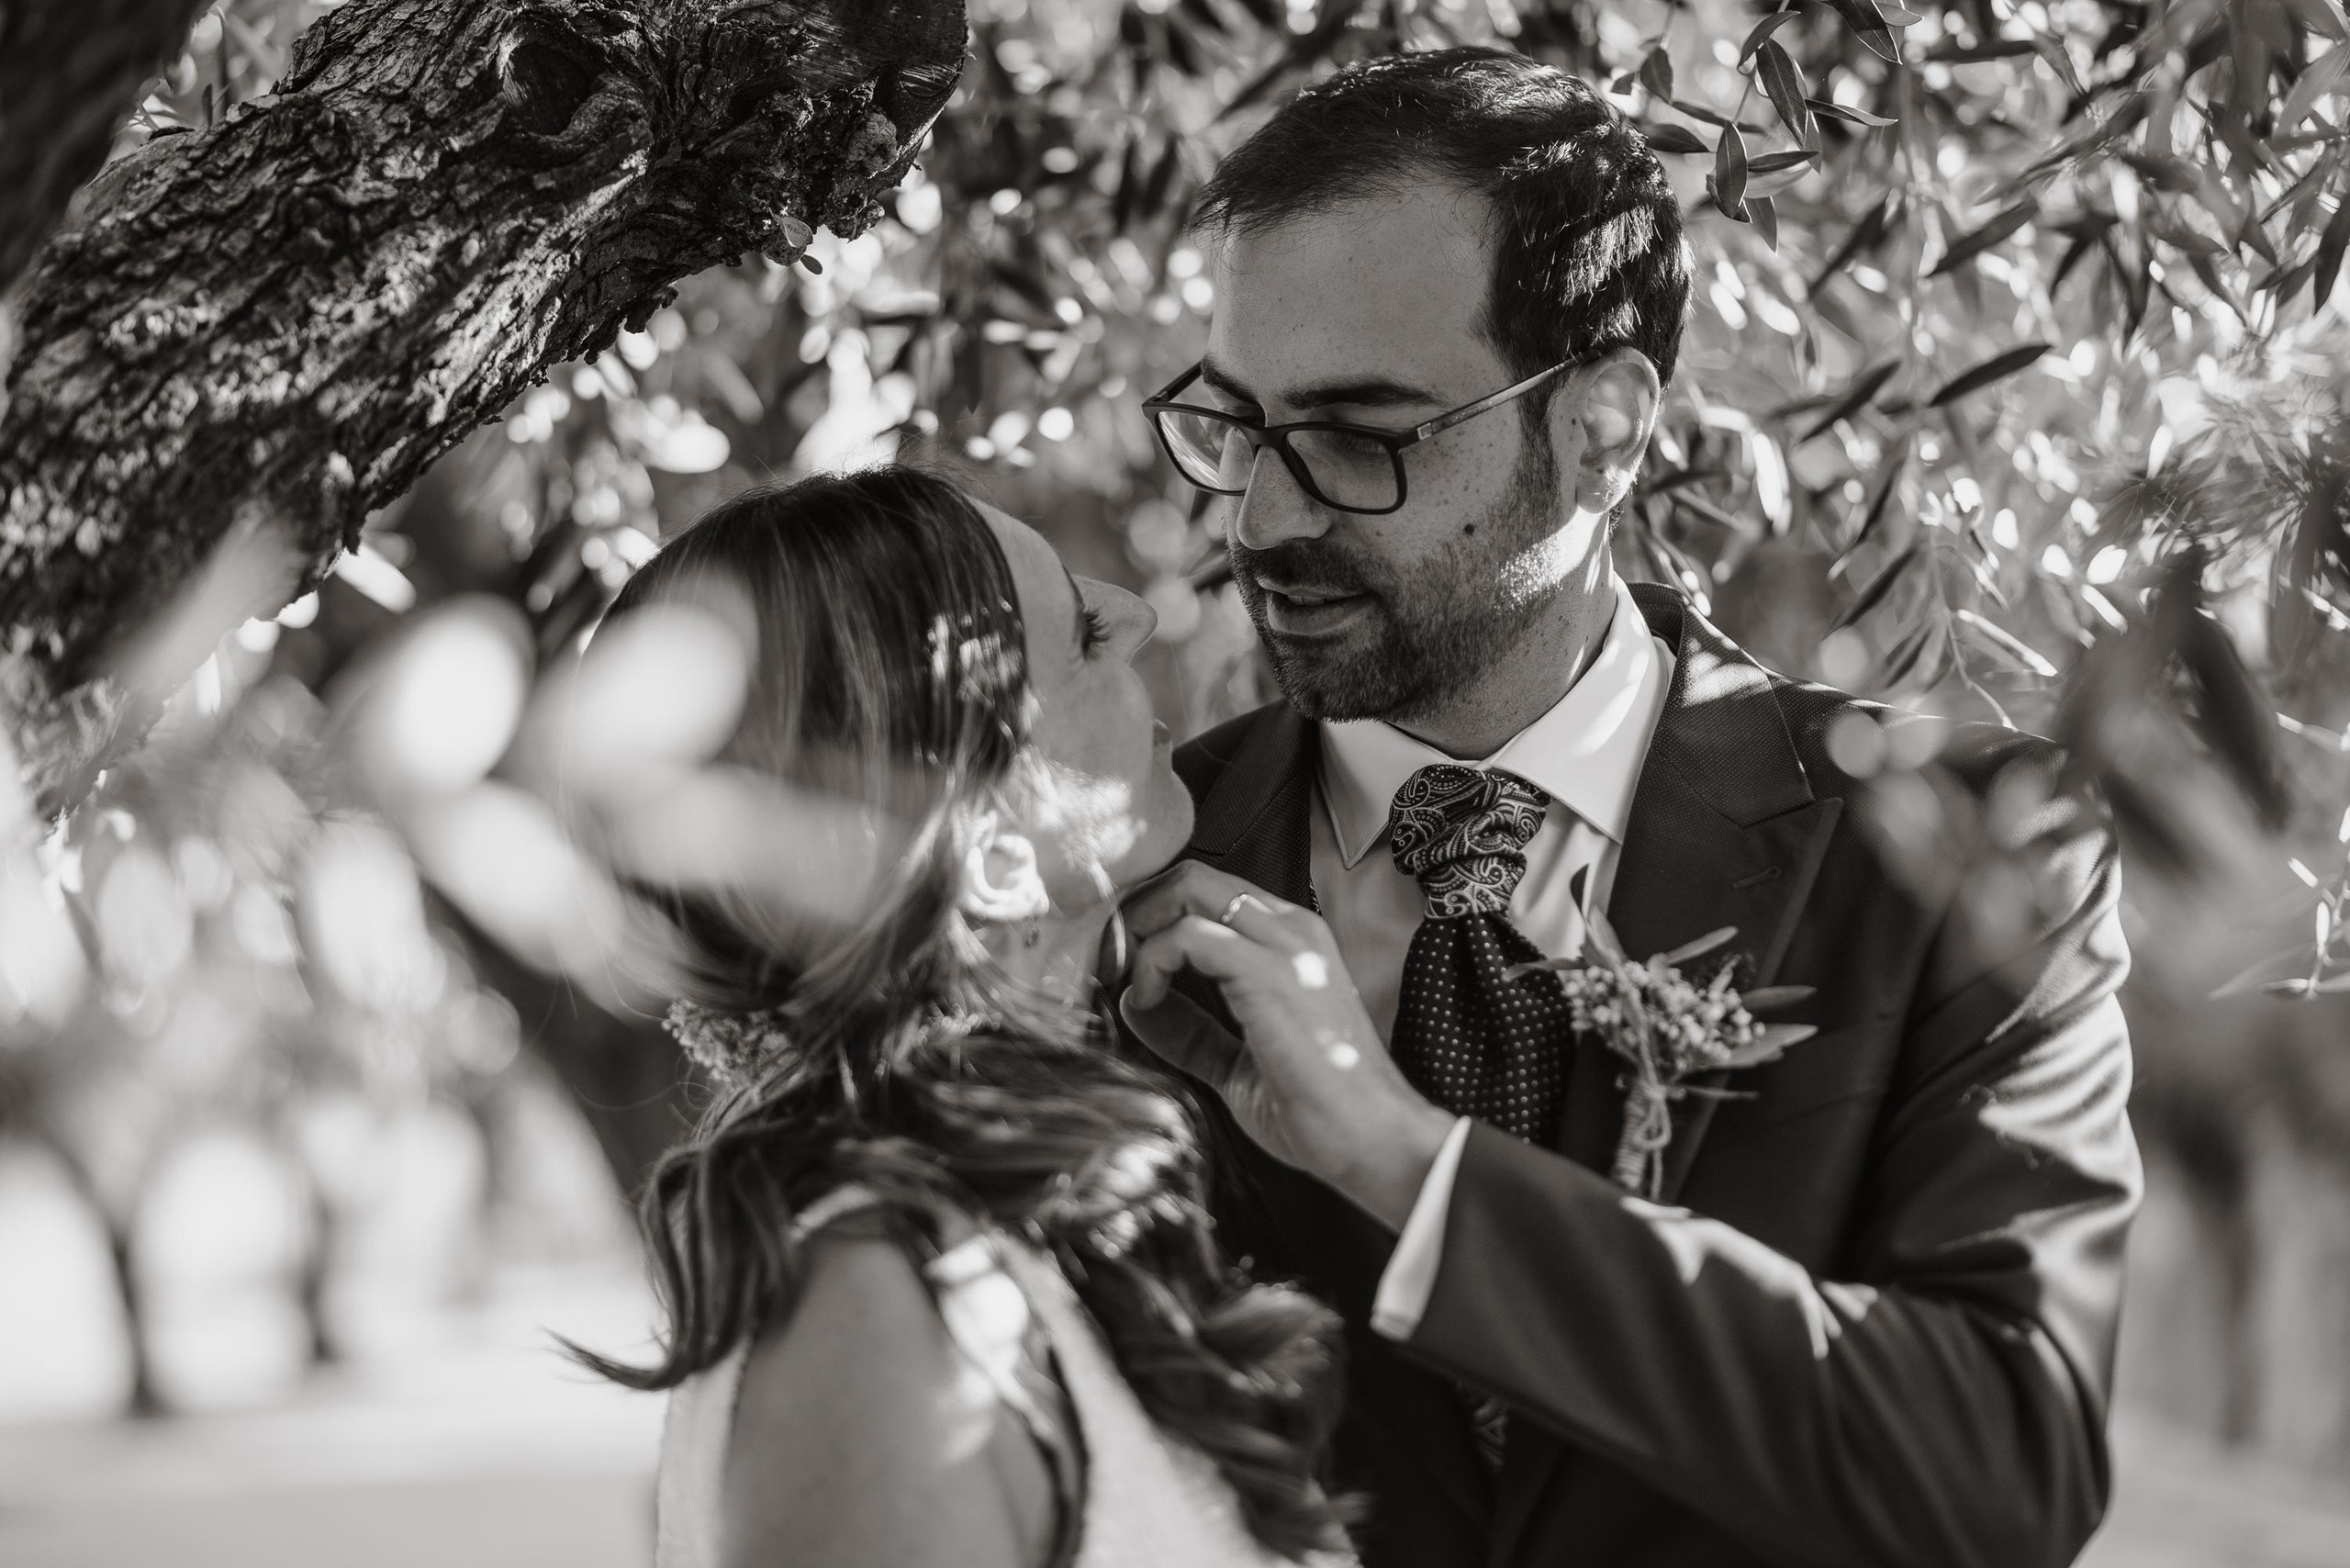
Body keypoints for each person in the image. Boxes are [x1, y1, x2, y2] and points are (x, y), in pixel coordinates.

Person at [1116, 47, 2141, 1568]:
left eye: (1361, 437)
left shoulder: (1967, 850)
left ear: (1603, 429)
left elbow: (2001, 1462)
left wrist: (1409, 1162)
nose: (1262, 517)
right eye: (1237, 426)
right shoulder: (1130, 873)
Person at [576, 468, 1360, 1568]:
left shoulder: (987, 1233)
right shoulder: (879, 1315)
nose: (1134, 613)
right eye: (1082, 631)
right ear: (988, 852)